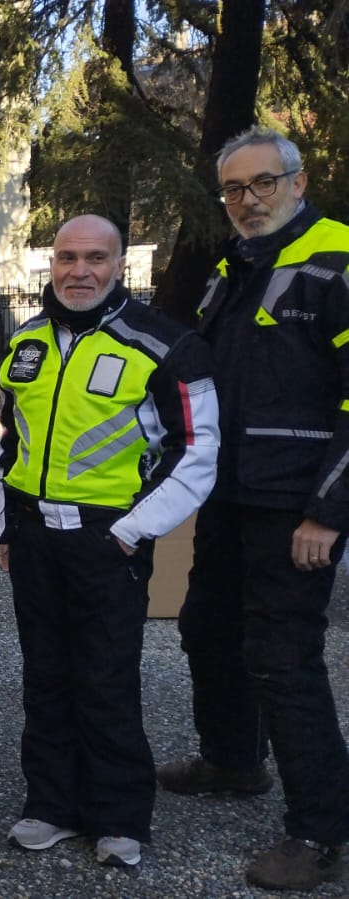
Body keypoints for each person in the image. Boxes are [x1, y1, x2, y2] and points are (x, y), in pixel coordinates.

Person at [0, 214, 219, 869]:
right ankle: (51, 804)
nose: (78, 270)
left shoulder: (166, 344)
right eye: (66, 256)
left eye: (95, 256)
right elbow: (12, 444)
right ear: (51, 262)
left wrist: (129, 531)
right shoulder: (25, 341)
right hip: (34, 538)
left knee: (105, 678)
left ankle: (119, 817)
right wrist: (3, 524)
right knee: (44, 675)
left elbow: (200, 448)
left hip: (107, 540)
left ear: (118, 263)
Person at [157, 126, 349, 892]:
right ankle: (234, 761)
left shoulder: (333, 260)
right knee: (206, 626)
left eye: (261, 183)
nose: (247, 200)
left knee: (281, 656)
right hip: (230, 494)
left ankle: (319, 827)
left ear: (296, 183)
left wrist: (328, 511)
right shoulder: (234, 267)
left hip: (294, 505)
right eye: (234, 189)